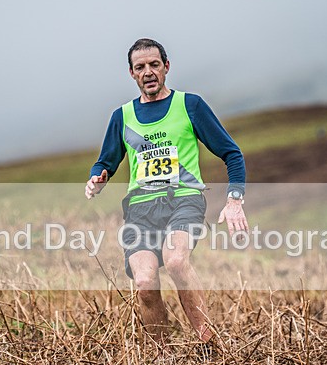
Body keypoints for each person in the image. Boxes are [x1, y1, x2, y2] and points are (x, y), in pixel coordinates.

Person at [85, 38, 248, 344]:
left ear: (166, 67)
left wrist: (235, 199)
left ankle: (210, 345)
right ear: (132, 74)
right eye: (140, 67)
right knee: (145, 284)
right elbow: (105, 162)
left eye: (154, 64)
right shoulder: (122, 117)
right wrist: (97, 178)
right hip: (140, 209)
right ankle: (164, 361)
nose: (148, 72)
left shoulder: (190, 105)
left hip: (182, 201)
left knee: (175, 261)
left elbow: (232, 153)